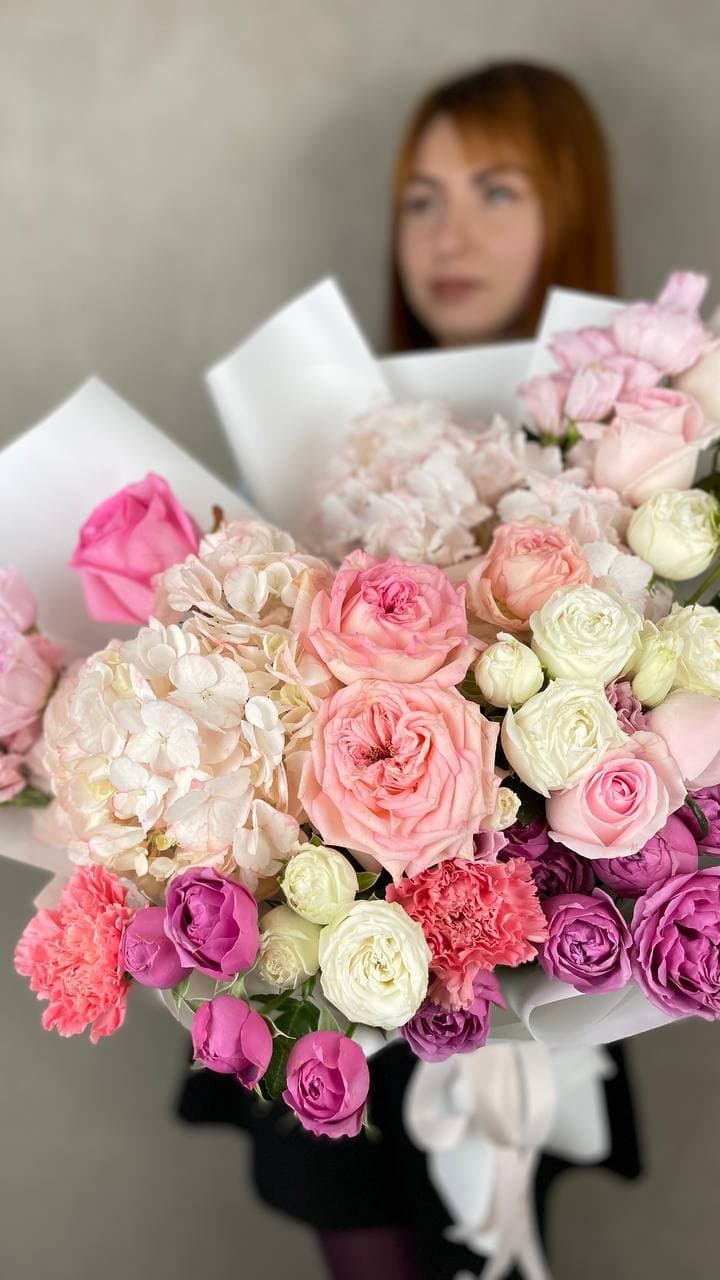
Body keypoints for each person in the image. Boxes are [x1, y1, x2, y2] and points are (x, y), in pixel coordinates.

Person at [180, 61, 639, 1280]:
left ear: (570, 207)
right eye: (421, 199)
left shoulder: (630, 453)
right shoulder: (332, 438)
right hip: (332, 960)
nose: (448, 233)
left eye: (496, 191)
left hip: (535, 962)